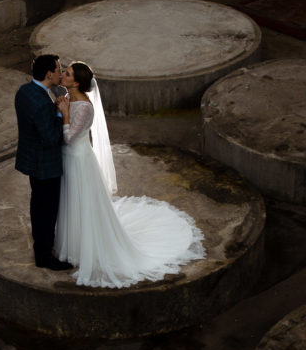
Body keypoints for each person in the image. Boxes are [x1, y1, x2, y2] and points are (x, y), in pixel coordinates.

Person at [54, 62, 204, 288]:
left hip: (79, 160)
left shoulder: (85, 108)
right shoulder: (68, 97)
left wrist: (64, 113)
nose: (62, 75)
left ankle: (87, 247)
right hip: (68, 158)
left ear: (76, 83)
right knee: (70, 202)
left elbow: (68, 138)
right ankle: (73, 245)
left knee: (81, 202)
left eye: (67, 74)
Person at [14, 54, 73, 271]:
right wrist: (60, 114)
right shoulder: (43, 104)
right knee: (47, 212)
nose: (61, 73)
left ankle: (42, 248)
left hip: (32, 161)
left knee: (38, 207)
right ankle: (44, 256)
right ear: (49, 74)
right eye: (58, 70)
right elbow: (50, 138)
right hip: (46, 166)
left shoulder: (24, 92)